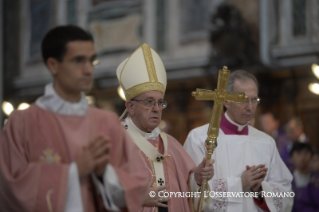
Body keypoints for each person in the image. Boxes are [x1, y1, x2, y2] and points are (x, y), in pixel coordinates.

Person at [0, 25, 148, 212]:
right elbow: (10, 188)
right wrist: (74, 172)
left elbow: (138, 184)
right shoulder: (22, 123)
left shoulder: (107, 122)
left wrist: (104, 174)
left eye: (91, 61)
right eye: (78, 61)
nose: (87, 70)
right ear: (53, 65)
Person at [116, 43, 214, 212]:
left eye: (160, 102)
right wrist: (136, 198)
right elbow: (98, 194)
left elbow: (187, 195)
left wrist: (197, 179)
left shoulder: (171, 145)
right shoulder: (115, 142)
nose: (156, 108)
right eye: (149, 102)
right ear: (130, 107)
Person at [184, 70, 293, 212]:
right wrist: (239, 184)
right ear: (226, 101)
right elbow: (189, 190)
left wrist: (259, 190)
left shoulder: (266, 142)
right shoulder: (198, 138)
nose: (250, 107)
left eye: (254, 100)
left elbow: (285, 192)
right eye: (243, 99)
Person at [289, 142, 319, 212]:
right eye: (299, 153)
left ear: (311, 157)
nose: (303, 157)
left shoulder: (316, 179)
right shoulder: (286, 179)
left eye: (306, 153)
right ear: (291, 158)